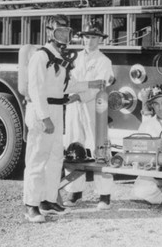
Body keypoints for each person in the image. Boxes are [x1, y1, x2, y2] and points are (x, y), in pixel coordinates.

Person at [23, 15, 104, 223]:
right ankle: (31, 205)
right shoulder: (41, 57)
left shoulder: (60, 58)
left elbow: (66, 86)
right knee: (37, 158)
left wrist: (91, 84)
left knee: (55, 158)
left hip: (58, 111)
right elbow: (35, 89)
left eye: (67, 32)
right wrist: (44, 117)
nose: (64, 35)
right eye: (59, 31)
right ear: (50, 32)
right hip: (43, 112)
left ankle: (48, 201)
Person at [63, 21, 116, 210]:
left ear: (100, 39)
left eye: (94, 37)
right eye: (86, 37)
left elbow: (100, 84)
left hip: (95, 106)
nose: (89, 41)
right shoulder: (73, 58)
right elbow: (67, 81)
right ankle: (74, 190)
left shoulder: (104, 61)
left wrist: (80, 94)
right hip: (74, 106)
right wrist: (72, 94)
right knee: (74, 144)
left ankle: (104, 194)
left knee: (99, 146)